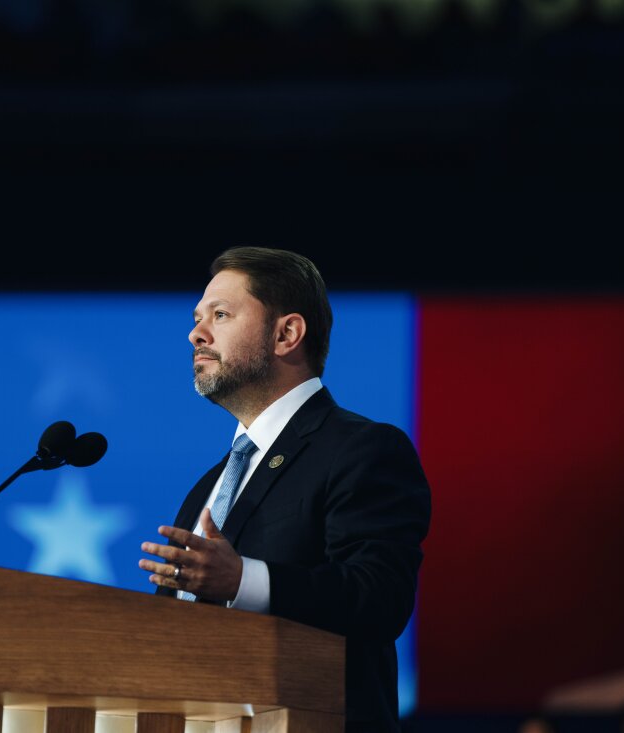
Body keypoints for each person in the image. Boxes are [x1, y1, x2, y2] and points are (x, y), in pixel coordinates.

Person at [137, 246, 432, 732]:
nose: (196, 332)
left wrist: (240, 580)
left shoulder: (363, 449)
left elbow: (380, 599)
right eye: (197, 318)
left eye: (221, 314)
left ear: (287, 334)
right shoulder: (208, 487)